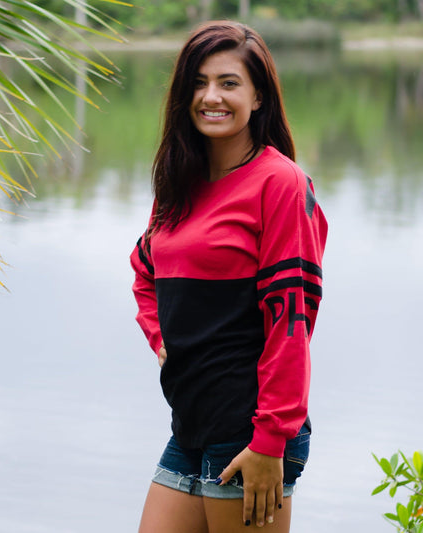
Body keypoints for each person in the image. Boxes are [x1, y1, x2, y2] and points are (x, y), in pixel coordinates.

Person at [130, 20, 328, 533]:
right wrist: (160, 337)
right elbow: (145, 270)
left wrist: (271, 439)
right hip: (190, 423)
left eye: (228, 82)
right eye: (198, 82)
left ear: (258, 97)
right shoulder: (180, 182)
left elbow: (291, 320)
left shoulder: (280, 183)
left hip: (250, 429)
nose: (211, 96)